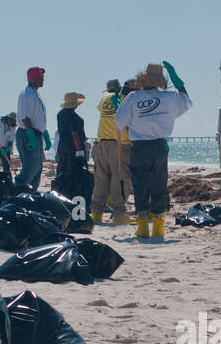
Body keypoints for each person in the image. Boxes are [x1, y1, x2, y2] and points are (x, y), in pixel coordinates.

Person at [112, 62, 191, 241]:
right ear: (160, 81)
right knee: (159, 183)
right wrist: (178, 81)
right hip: (159, 146)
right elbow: (187, 101)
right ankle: (158, 226)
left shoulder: (132, 97)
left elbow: (118, 122)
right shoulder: (169, 97)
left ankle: (142, 227)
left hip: (139, 146)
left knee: (140, 184)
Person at [92, 79, 132, 224]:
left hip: (102, 143)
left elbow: (100, 110)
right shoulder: (124, 100)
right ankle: (119, 214)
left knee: (101, 179)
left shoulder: (104, 99)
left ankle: (96, 214)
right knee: (120, 179)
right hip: (119, 144)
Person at [53, 92, 93, 206]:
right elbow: (75, 135)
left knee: (61, 172)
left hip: (62, 147)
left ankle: (60, 197)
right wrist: (80, 151)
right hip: (72, 149)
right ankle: (72, 198)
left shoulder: (60, 114)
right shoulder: (75, 118)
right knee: (74, 175)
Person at [16, 66, 49, 189]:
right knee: (30, 169)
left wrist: (44, 133)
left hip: (35, 134)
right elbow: (26, 118)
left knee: (36, 170)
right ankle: (18, 194)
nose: (43, 79)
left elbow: (37, 117)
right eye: (41, 77)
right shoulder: (26, 94)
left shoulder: (35, 94)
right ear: (34, 78)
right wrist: (30, 135)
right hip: (28, 135)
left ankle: (31, 194)